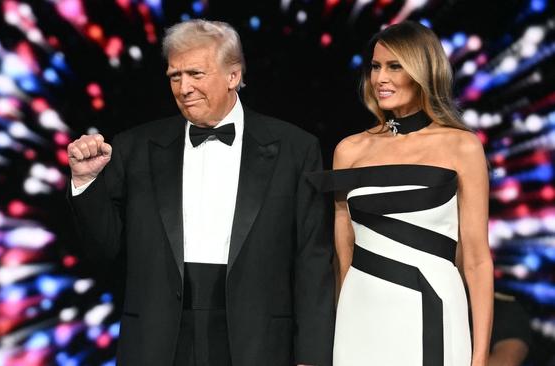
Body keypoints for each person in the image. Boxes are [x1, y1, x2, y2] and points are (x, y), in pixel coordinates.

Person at [66, 19, 335, 366]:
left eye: (195, 74)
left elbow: (312, 259)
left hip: (257, 342)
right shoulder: (135, 148)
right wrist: (86, 183)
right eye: (175, 76)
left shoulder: (295, 149)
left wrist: (312, 355)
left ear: (233, 76)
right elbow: (104, 250)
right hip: (157, 341)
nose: (184, 88)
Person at [307, 21, 494, 365]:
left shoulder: (461, 146)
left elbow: (477, 259)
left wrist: (480, 354)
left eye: (395, 66)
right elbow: (343, 257)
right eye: (376, 66)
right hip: (359, 314)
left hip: (431, 306)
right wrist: (341, 322)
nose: (380, 78)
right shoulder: (349, 150)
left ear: (424, 71)